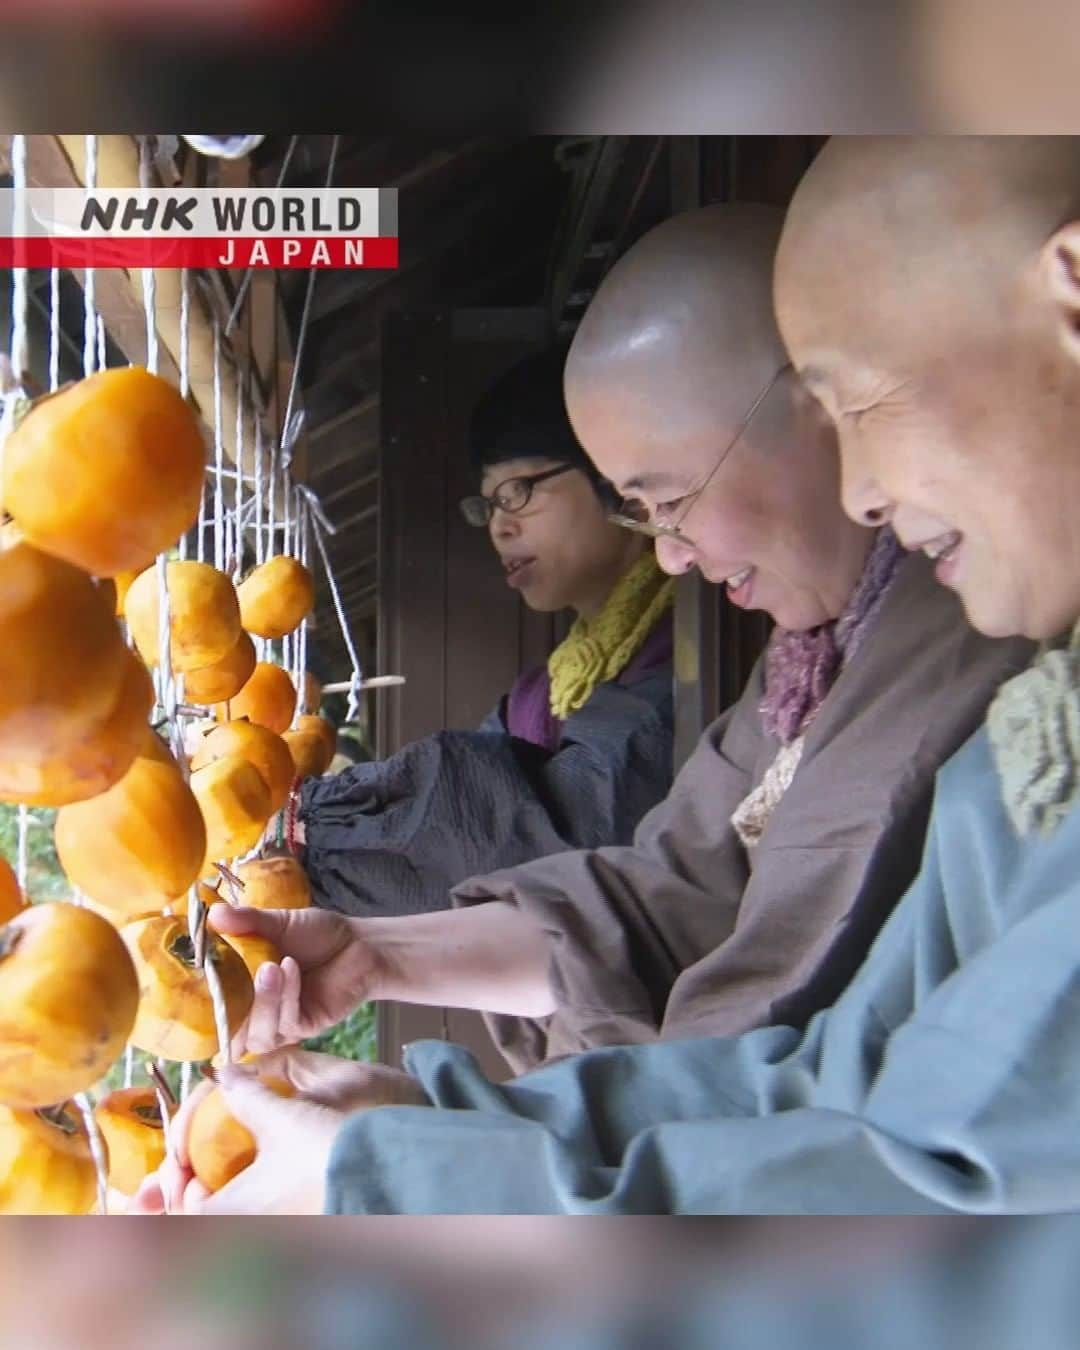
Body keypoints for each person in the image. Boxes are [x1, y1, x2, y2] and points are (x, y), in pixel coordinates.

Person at [130, 163, 1062, 1215]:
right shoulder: (805, 679)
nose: (868, 488)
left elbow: (892, 1156)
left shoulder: (998, 679)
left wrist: (418, 1166)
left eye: (668, 500)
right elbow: (676, 918)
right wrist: (393, 996)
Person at [293, 343, 675, 917]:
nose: (500, 526)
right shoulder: (534, 696)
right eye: (489, 504)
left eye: (519, 490)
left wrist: (301, 822)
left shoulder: (689, 650)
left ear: (613, 473)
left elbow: (528, 832)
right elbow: (444, 822)